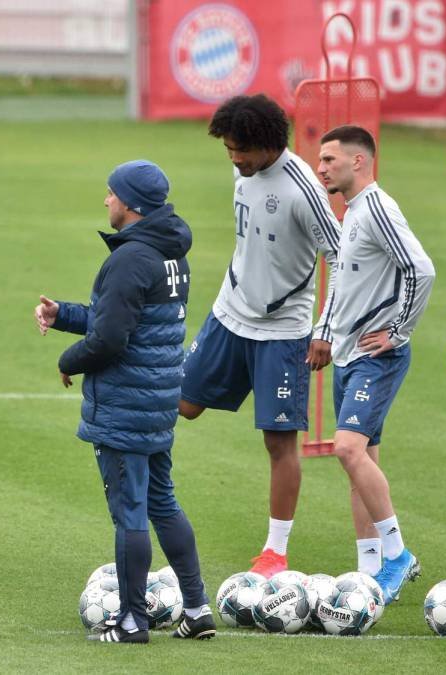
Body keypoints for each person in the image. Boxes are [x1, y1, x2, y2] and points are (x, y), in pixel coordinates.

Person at [38, 160, 213, 643]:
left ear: (131, 204)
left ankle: (133, 620)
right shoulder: (169, 250)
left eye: (111, 194)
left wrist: (68, 360)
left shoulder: (130, 257)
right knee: (163, 503)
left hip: (124, 402)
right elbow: (128, 318)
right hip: (156, 399)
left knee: (131, 513)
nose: (106, 201)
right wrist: (65, 315)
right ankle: (197, 609)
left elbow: (110, 339)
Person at [179, 94, 341, 577]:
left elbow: (340, 258)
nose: (233, 158)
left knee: (278, 442)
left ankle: (275, 551)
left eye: (239, 151)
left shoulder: (304, 191)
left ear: (268, 145)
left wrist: (324, 329)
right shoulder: (243, 171)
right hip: (229, 313)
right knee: (183, 404)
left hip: (283, 331)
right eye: (228, 149)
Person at [316, 125, 435, 602]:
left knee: (347, 449)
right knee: (358, 462)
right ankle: (368, 571)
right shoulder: (352, 214)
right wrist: (324, 333)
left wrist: (399, 331)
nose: (321, 168)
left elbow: (420, 269)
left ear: (358, 162)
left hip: (375, 357)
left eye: (329, 160)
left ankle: (398, 555)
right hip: (347, 355)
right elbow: (344, 285)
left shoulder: (377, 208)